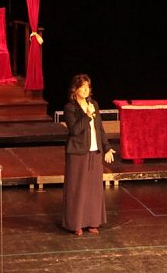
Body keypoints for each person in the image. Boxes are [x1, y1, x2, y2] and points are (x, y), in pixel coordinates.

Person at [62, 73, 115, 236]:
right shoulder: (70, 107)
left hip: (95, 151)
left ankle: (92, 222)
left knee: (93, 189)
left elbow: (99, 128)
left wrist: (106, 147)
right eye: (82, 87)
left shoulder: (94, 105)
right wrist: (87, 115)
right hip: (77, 153)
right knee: (77, 189)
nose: (85, 90)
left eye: (87, 87)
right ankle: (76, 223)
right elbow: (74, 130)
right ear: (75, 89)